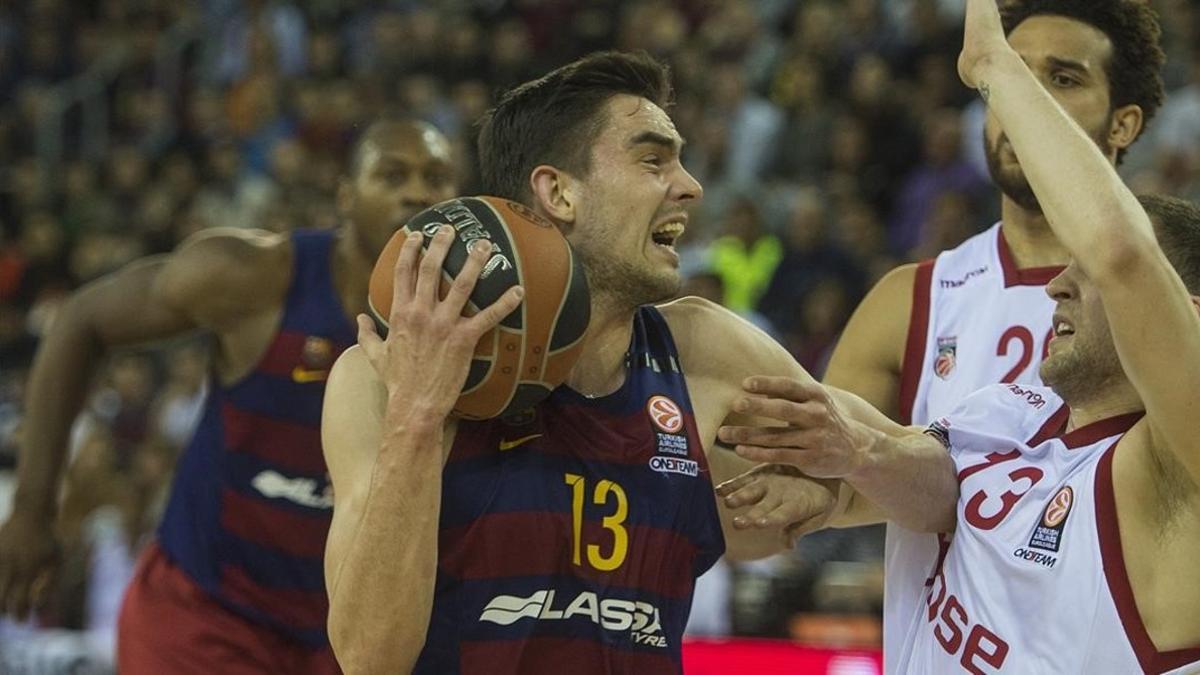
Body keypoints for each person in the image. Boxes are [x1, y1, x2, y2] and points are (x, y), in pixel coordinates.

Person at [320, 51, 842, 675]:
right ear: (559, 192)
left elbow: (913, 466)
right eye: (654, 160)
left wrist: (835, 487)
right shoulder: (380, 378)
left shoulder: (706, 353)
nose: (691, 186)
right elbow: (368, 658)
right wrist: (417, 415)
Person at [716, 0, 1200, 671]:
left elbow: (1124, 258)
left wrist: (993, 62)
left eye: (1059, 80)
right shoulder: (950, 338)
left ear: (1124, 121)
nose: (1022, 103)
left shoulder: (1157, 299)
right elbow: (840, 474)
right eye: (1015, 81)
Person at [0, 118, 459, 673]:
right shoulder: (257, 277)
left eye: (437, 177)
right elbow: (80, 322)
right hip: (204, 615)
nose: (417, 192)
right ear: (344, 194)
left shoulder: (482, 328)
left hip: (346, 637)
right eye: (392, 174)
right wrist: (32, 507)